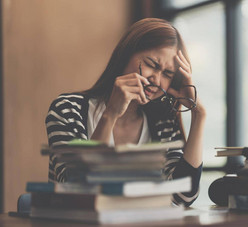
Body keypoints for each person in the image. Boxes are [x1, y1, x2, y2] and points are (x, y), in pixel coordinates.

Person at [45, 18, 206, 207]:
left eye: (168, 74)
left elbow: (182, 197)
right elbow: (78, 189)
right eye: (152, 64)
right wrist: (111, 114)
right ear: (125, 55)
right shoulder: (67, 108)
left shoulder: (163, 122)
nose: (156, 79)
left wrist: (199, 114)